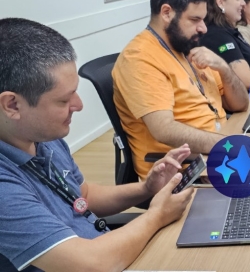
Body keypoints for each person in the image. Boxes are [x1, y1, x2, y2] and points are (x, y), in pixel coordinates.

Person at [0, 18, 193, 272]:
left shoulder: (42, 136)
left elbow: (84, 197)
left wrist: (146, 188)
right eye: (63, 100)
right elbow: (92, 264)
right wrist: (156, 215)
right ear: (12, 105)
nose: (79, 105)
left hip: (112, 252)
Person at [113, 0, 250, 178]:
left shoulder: (188, 47)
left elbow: (240, 104)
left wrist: (223, 67)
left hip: (217, 151)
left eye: (203, 19)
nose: (203, 28)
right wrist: (228, 145)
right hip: (183, 172)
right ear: (166, 13)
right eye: (195, 19)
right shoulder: (139, 58)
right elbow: (164, 129)